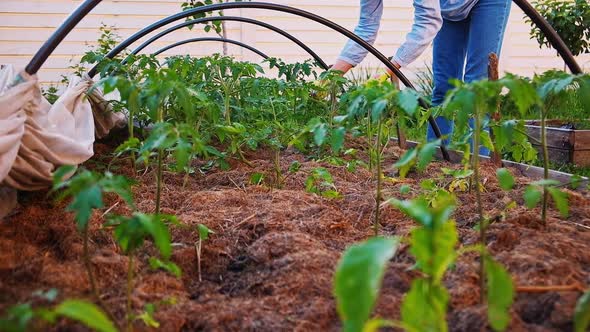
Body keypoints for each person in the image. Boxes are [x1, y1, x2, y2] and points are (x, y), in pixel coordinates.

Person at [332, 0, 512, 146]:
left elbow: (426, 23)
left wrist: (388, 71)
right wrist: (330, 77)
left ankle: (479, 167)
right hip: (446, 8)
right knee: (444, 87)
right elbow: (366, 28)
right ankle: (436, 156)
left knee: (477, 87)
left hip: (488, 3)